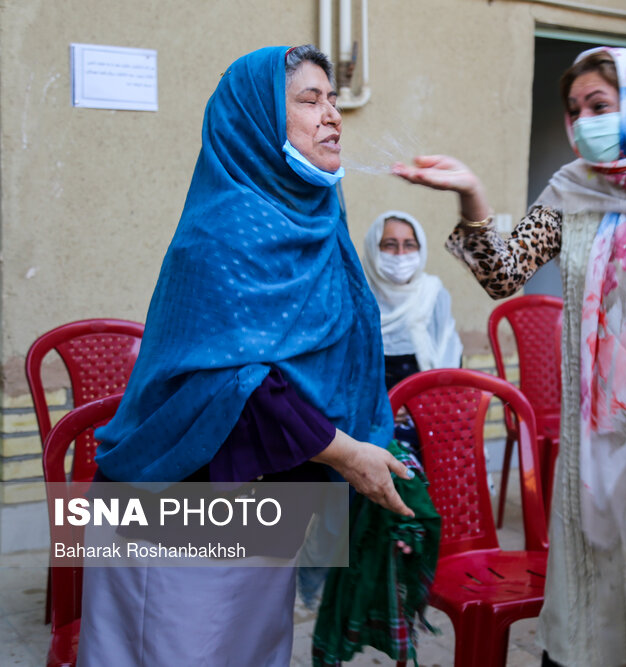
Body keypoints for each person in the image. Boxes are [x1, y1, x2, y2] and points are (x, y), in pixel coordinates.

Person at [395, 47, 626, 666]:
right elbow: (505, 274)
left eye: (600, 105)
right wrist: (472, 195)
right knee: (594, 596)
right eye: (574, 109)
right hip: (596, 438)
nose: (584, 119)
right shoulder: (573, 191)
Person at [77, 45, 415, 665]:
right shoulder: (220, 233)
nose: (332, 116)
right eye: (309, 101)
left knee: (251, 649)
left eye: (334, 99)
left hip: (264, 501)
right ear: (255, 122)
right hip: (176, 505)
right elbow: (241, 387)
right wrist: (349, 455)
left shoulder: (317, 223)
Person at [361, 210, 463, 390]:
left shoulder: (432, 292)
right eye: (390, 244)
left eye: (409, 244)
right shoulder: (359, 295)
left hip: (426, 401)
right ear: (373, 248)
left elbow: (448, 352)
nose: (400, 253)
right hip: (370, 405)